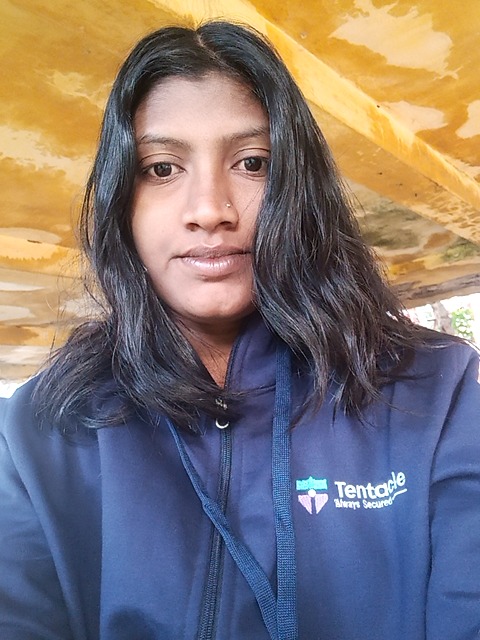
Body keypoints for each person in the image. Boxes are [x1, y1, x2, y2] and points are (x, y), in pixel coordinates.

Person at [0, 21, 479, 640]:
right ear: (122, 199)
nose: (210, 210)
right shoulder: (35, 432)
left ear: (299, 187)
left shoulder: (439, 390)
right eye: (162, 168)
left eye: (253, 163)